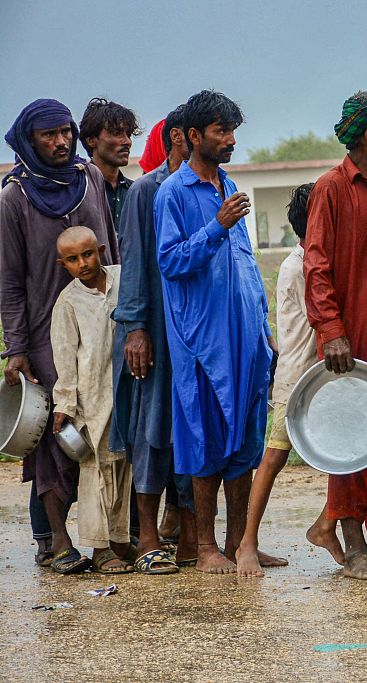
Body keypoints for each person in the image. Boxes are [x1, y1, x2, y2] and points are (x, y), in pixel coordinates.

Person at [154, 90, 275, 575]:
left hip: (246, 339)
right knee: (204, 440)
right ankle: (205, 546)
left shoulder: (228, 185)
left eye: (233, 131)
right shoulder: (173, 193)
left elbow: (244, 265)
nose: (230, 141)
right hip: (201, 341)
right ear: (193, 136)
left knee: (245, 442)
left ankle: (240, 541)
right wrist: (216, 228)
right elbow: (170, 260)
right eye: (221, 131)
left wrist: (264, 327)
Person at [1, 98, 119, 574]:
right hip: (49, 337)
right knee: (60, 433)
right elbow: (10, 281)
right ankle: (58, 540)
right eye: (48, 135)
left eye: (65, 132)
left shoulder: (89, 178)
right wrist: (17, 348)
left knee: (106, 431)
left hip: (101, 323)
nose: (60, 142)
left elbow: (112, 244)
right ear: (29, 141)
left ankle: (107, 539)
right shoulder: (13, 199)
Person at [303, 88, 367, 580]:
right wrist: (331, 329)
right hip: (350, 331)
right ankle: (352, 541)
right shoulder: (331, 188)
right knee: (350, 434)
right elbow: (316, 264)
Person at [111, 104, 197, 574]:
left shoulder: (212, 189)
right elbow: (136, 266)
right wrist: (136, 328)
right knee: (151, 426)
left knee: (190, 430)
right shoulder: (147, 191)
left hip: (194, 334)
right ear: (184, 136)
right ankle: (146, 537)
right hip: (155, 330)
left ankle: (188, 535)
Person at [236, 183, 319, 578]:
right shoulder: (299, 267)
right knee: (274, 455)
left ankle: (327, 526)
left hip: (318, 375)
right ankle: (246, 543)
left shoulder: (311, 260)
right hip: (297, 375)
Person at [51, 227, 131, 573]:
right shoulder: (68, 302)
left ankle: (120, 539)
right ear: (63, 264)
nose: (82, 263)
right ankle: (99, 548)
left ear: (100, 250)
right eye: (73, 259)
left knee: (123, 467)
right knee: (95, 469)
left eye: (87, 254)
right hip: (91, 395)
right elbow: (65, 358)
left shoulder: (121, 279)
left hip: (125, 389)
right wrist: (65, 404)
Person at [79, 98, 140, 229]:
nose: (127, 141)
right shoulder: (78, 189)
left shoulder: (135, 191)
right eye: (117, 133)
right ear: (91, 140)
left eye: (128, 134)